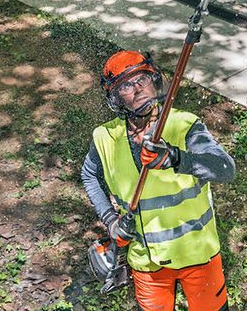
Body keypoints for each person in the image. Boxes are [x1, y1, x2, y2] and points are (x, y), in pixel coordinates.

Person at [81, 50, 235, 311]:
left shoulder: (183, 125)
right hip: (147, 263)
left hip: (198, 254)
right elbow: (88, 174)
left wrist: (176, 158)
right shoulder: (104, 137)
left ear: (155, 81)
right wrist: (110, 220)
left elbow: (225, 168)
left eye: (142, 78)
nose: (138, 88)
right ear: (116, 98)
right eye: (127, 85)